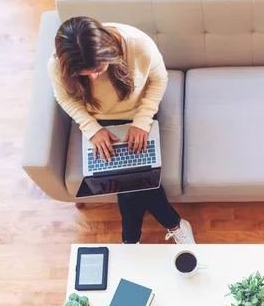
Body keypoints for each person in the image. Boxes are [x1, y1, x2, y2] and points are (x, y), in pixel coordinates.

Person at [48, 16, 196, 245]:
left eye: (97, 68)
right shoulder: (59, 65)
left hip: (138, 112)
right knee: (129, 179)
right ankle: (174, 224)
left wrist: (142, 121)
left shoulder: (138, 45)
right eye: (84, 74)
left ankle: (131, 239)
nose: (94, 77)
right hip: (100, 122)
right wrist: (92, 129)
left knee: (131, 179)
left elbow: (159, 80)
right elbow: (65, 98)